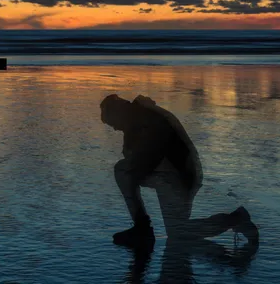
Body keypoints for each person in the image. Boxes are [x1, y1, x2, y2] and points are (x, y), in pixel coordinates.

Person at [100, 93, 259, 249]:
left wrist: (134, 171)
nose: (114, 128)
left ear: (118, 112)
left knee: (123, 171)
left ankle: (143, 228)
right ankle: (235, 219)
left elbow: (150, 157)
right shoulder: (137, 121)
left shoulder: (146, 119)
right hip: (172, 175)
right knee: (177, 231)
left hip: (178, 177)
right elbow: (136, 156)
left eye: (112, 123)